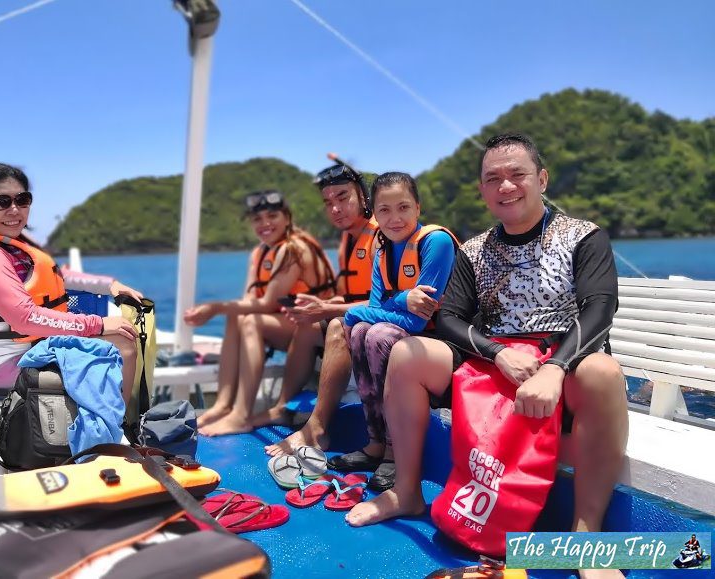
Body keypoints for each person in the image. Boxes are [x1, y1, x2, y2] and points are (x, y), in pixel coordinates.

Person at [347, 134, 628, 579]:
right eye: (493, 178)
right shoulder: (473, 251)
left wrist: (555, 368)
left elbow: (601, 307)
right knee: (407, 353)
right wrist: (498, 355)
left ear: (542, 179)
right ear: (482, 190)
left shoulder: (583, 237)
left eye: (517, 175)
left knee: (604, 371)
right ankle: (406, 491)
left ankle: (585, 534)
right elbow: (450, 318)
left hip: (563, 361)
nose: (506, 186)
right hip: (494, 361)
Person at [0, 162, 141, 401]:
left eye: (22, 200)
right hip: (0, 370)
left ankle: (117, 415)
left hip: (28, 351)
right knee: (120, 344)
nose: (14, 210)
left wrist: (108, 285)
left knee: (119, 336)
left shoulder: (7, 246)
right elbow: (25, 318)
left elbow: (55, 276)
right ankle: (121, 421)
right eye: (0, 202)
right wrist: (99, 325)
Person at [328, 171, 457, 491]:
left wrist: (364, 308)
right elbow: (376, 308)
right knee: (361, 331)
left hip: (446, 344)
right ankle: (375, 442)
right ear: (374, 212)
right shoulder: (383, 253)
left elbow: (416, 321)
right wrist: (401, 299)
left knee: (377, 334)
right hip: (409, 337)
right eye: (384, 210)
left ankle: (394, 450)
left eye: (403, 207)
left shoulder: (435, 243)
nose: (394, 218)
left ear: (418, 207)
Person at [185, 190, 335, 436]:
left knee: (251, 321)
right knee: (236, 315)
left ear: (287, 218)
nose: (265, 224)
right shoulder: (260, 253)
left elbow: (265, 305)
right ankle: (223, 405)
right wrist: (225, 309)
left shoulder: (293, 249)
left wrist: (214, 308)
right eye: (257, 219)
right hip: (288, 323)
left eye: (272, 216)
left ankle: (241, 415)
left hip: (315, 328)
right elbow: (248, 300)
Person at [254, 163, 377, 444]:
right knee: (307, 327)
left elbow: (385, 301)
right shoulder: (349, 239)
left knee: (334, 324)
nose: (335, 208)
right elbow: (351, 295)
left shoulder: (380, 236)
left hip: (382, 324)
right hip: (359, 315)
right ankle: (282, 408)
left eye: (343, 197)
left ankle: (317, 427)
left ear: (363, 196)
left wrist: (328, 309)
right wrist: (319, 303)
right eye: (328, 203)